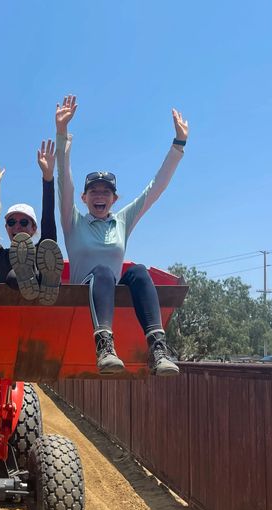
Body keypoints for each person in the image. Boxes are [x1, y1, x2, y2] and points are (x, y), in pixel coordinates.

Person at [55, 95, 188, 376]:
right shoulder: (73, 220)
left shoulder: (122, 221)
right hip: (85, 291)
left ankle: (158, 348)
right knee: (103, 271)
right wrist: (62, 133)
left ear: (114, 198)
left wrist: (178, 145)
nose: (100, 195)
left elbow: (155, 188)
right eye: (94, 191)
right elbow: (64, 178)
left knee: (139, 271)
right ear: (84, 197)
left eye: (106, 191)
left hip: (112, 287)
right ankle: (104, 344)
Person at [0, 143, 63, 305]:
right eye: (11, 222)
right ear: (5, 227)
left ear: (34, 228)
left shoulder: (43, 251)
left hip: (41, 310)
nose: (17, 226)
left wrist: (48, 177)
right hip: (9, 316)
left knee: (49, 258)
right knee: (12, 276)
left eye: (24, 222)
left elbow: (48, 220)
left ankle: (44, 278)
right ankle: (28, 274)